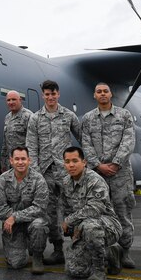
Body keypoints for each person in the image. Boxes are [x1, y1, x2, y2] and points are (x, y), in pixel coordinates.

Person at [79, 82, 137, 268]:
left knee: (123, 212)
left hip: (121, 174)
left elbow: (128, 141)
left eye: (105, 91)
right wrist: (98, 165)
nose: (102, 94)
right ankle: (101, 252)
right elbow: (85, 143)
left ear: (110, 94)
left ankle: (125, 251)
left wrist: (116, 163)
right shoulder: (87, 119)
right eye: (99, 92)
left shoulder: (124, 115)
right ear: (94, 95)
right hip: (96, 175)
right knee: (96, 212)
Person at [26, 79, 82, 265]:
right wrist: (34, 171)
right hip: (44, 172)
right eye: (47, 94)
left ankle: (77, 247)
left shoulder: (68, 115)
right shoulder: (35, 118)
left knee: (72, 208)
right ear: (43, 95)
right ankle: (57, 249)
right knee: (49, 211)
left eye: (53, 94)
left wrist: (83, 163)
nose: (50, 97)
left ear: (58, 94)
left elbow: (82, 137)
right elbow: (31, 146)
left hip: (67, 171)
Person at [59, 147, 123, 280]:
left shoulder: (95, 180)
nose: (71, 165)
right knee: (75, 270)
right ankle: (110, 253)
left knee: (90, 226)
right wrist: (71, 229)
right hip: (83, 226)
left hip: (107, 225)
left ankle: (99, 270)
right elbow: (66, 209)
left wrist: (70, 221)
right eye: (67, 161)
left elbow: (94, 209)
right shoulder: (65, 183)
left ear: (84, 162)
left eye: (75, 161)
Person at [0, 146, 49, 274]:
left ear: (29, 160)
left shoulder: (38, 179)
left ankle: (37, 256)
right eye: (17, 159)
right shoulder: (3, 179)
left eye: (23, 159)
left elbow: (40, 208)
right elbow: (0, 207)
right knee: (16, 263)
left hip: (32, 221)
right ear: (11, 161)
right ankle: (23, 244)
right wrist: (12, 219)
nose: (20, 162)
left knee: (39, 225)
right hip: (13, 226)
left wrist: (15, 217)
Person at [1, 90, 34, 171]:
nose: (11, 102)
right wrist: (3, 163)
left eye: (14, 99)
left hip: (23, 163)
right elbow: (5, 142)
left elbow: (33, 143)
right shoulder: (7, 117)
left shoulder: (29, 116)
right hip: (11, 164)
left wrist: (32, 164)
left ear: (20, 100)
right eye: (8, 100)